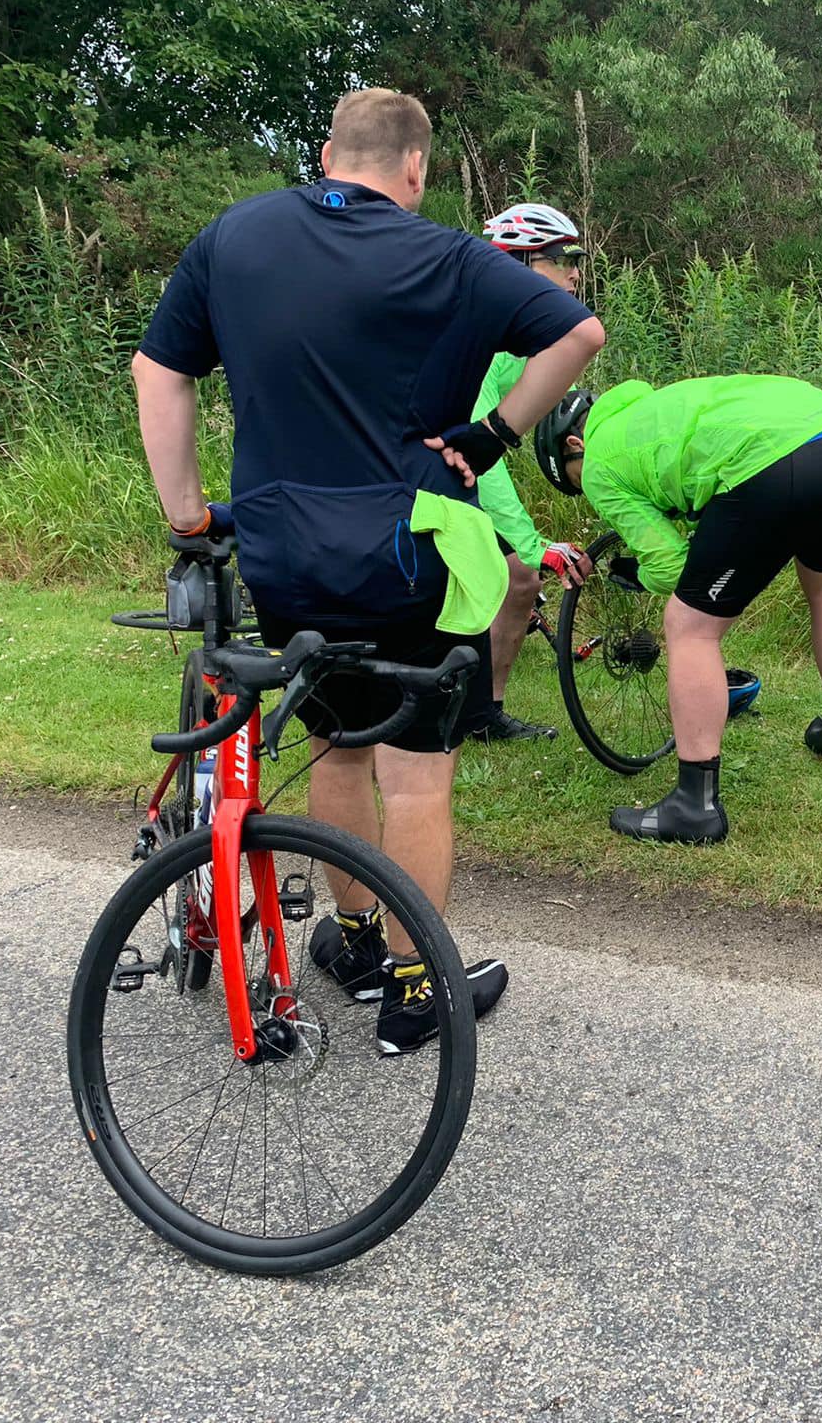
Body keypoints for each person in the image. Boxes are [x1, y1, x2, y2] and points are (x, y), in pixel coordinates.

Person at [132, 88, 606, 1052]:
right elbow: (577, 333)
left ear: (326, 153)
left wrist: (187, 512)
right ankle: (417, 987)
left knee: (337, 745)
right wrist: (492, 434)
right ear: (416, 171)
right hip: (406, 549)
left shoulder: (235, 240)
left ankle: (348, 941)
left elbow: (159, 371)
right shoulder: (449, 258)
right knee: (418, 774)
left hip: (282, 551)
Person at [531, 374, 822, 844]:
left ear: (574, 444)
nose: (582, 488)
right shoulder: (647, 411)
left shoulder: (598, 463)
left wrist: (636, 576)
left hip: (774, 462)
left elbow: (671, 564)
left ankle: (695, 805)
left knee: (689, 625)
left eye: (571, 479)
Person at [464, 203, 598, 742]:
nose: (575, 271)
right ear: (520, 264)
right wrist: (530, 539)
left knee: (515, 579)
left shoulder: (513, 325)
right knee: (517, 572)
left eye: (577, 257)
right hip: (411, 474)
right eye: (562, 257)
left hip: (440, 468)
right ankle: (469, 714)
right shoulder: (479, 326)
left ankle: (480, 713)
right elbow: (476, 452)